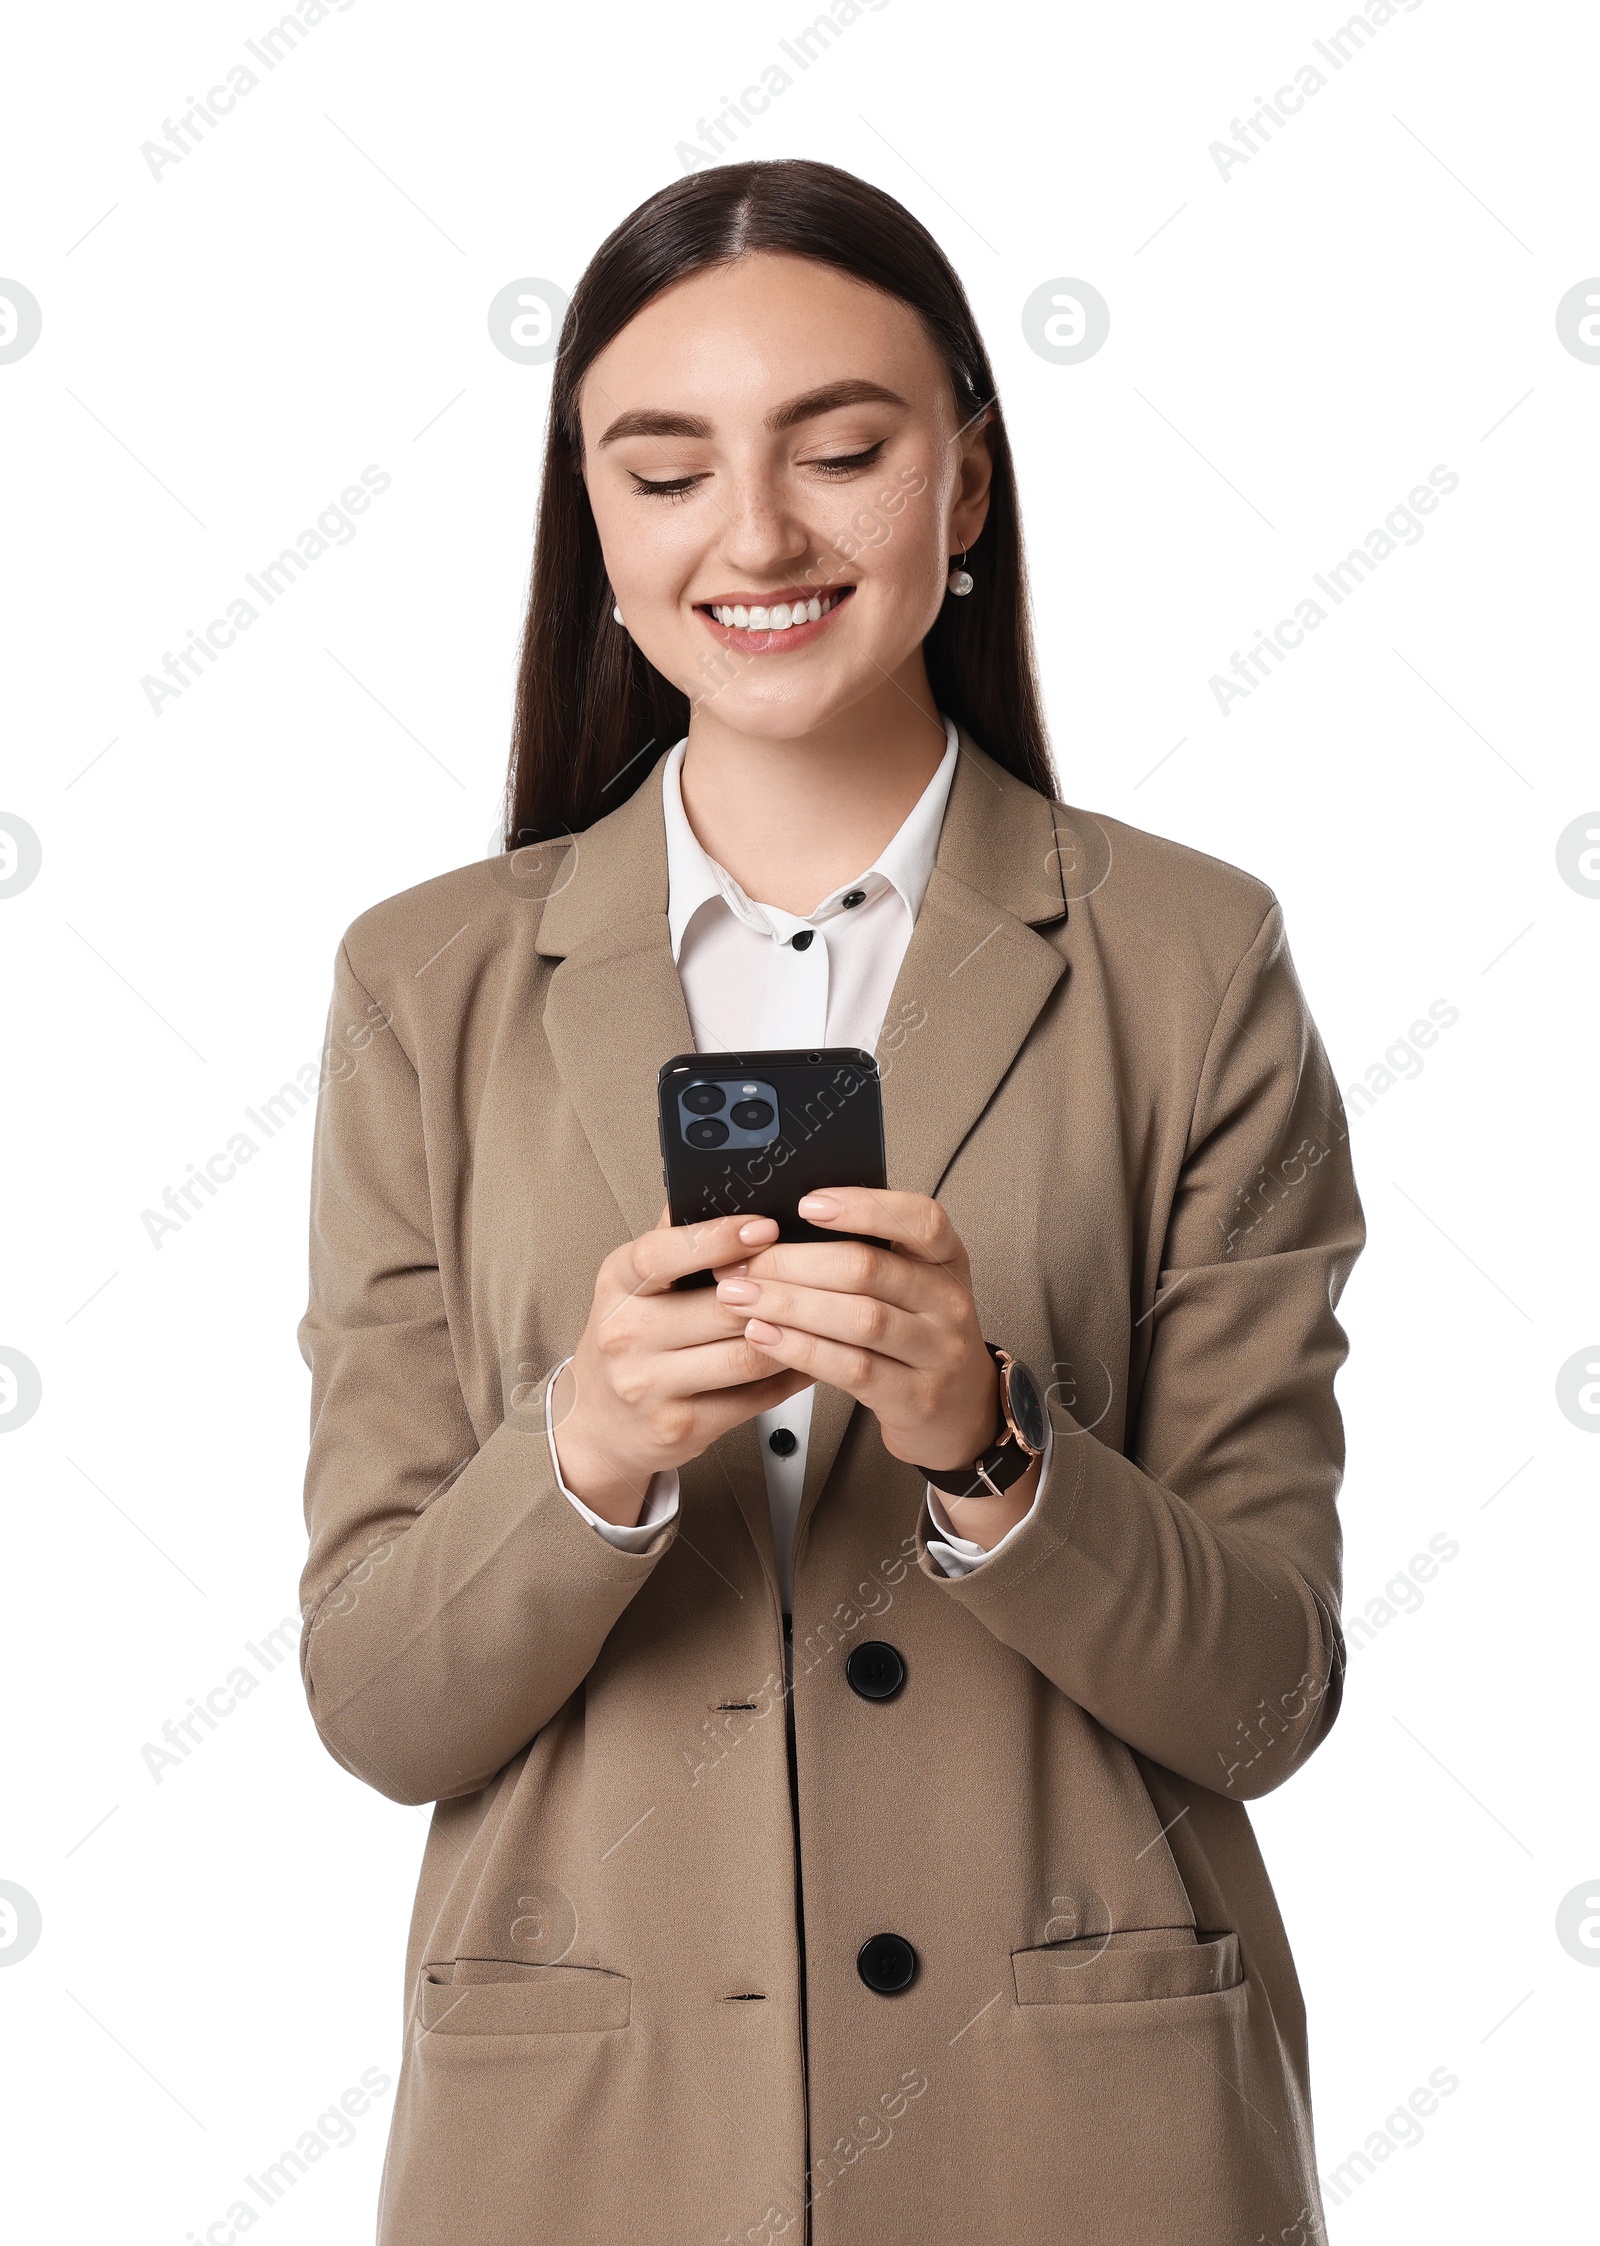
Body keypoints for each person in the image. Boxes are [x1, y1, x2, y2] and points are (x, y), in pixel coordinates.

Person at [297, 157, 1364, 2246]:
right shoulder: (419, 986)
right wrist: (586, 1450)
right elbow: (378, 1698)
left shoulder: (1185, 956)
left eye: (844, 450)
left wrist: (990, 1445)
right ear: (591, 527)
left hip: (1083, 2142)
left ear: (964, 486)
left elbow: (1261, 1693)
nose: (758, 535)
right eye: (663, 469)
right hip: (590, 2155)